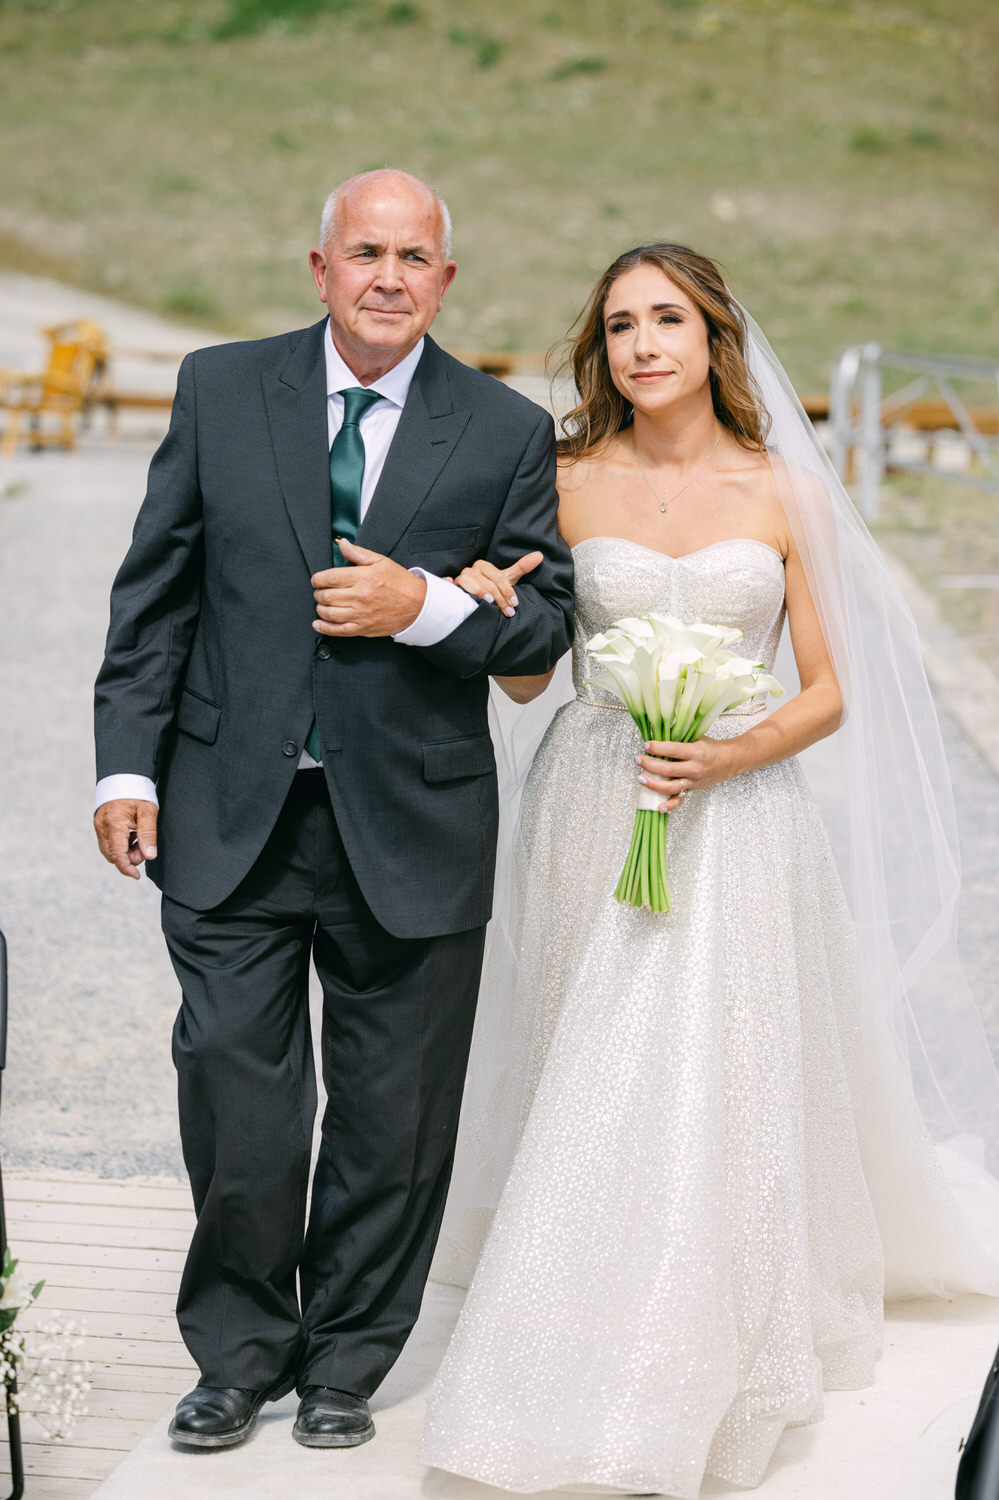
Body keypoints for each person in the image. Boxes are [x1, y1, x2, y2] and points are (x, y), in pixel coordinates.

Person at [420, 244, 999, 1496]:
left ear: (713, 336)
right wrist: (485, 605)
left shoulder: (785, 484)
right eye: (620, 324)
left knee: (711, 1069)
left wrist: (726, 759)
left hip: (736, 813)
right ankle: (579, 1306)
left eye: (666, 319)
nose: (642, 344)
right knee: (596, 1060)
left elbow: (832, 691)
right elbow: (530, 677)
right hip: (594, 794)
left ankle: (714, 1324)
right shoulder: (565, 477)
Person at [92, 169, 573, 1452]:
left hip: (413, 825)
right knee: (241, 1106)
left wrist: (423, 607)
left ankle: (351, 1358)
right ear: (320, 268)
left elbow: (547, 623)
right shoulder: (218, 387)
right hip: (226, 812)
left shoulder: (506, 429)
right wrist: (126, 768)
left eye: (415, 258)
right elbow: (156, 597)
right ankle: (238, 1356)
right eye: (365, 251)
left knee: (391, 1118)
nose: (388, 278)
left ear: (446, 282)